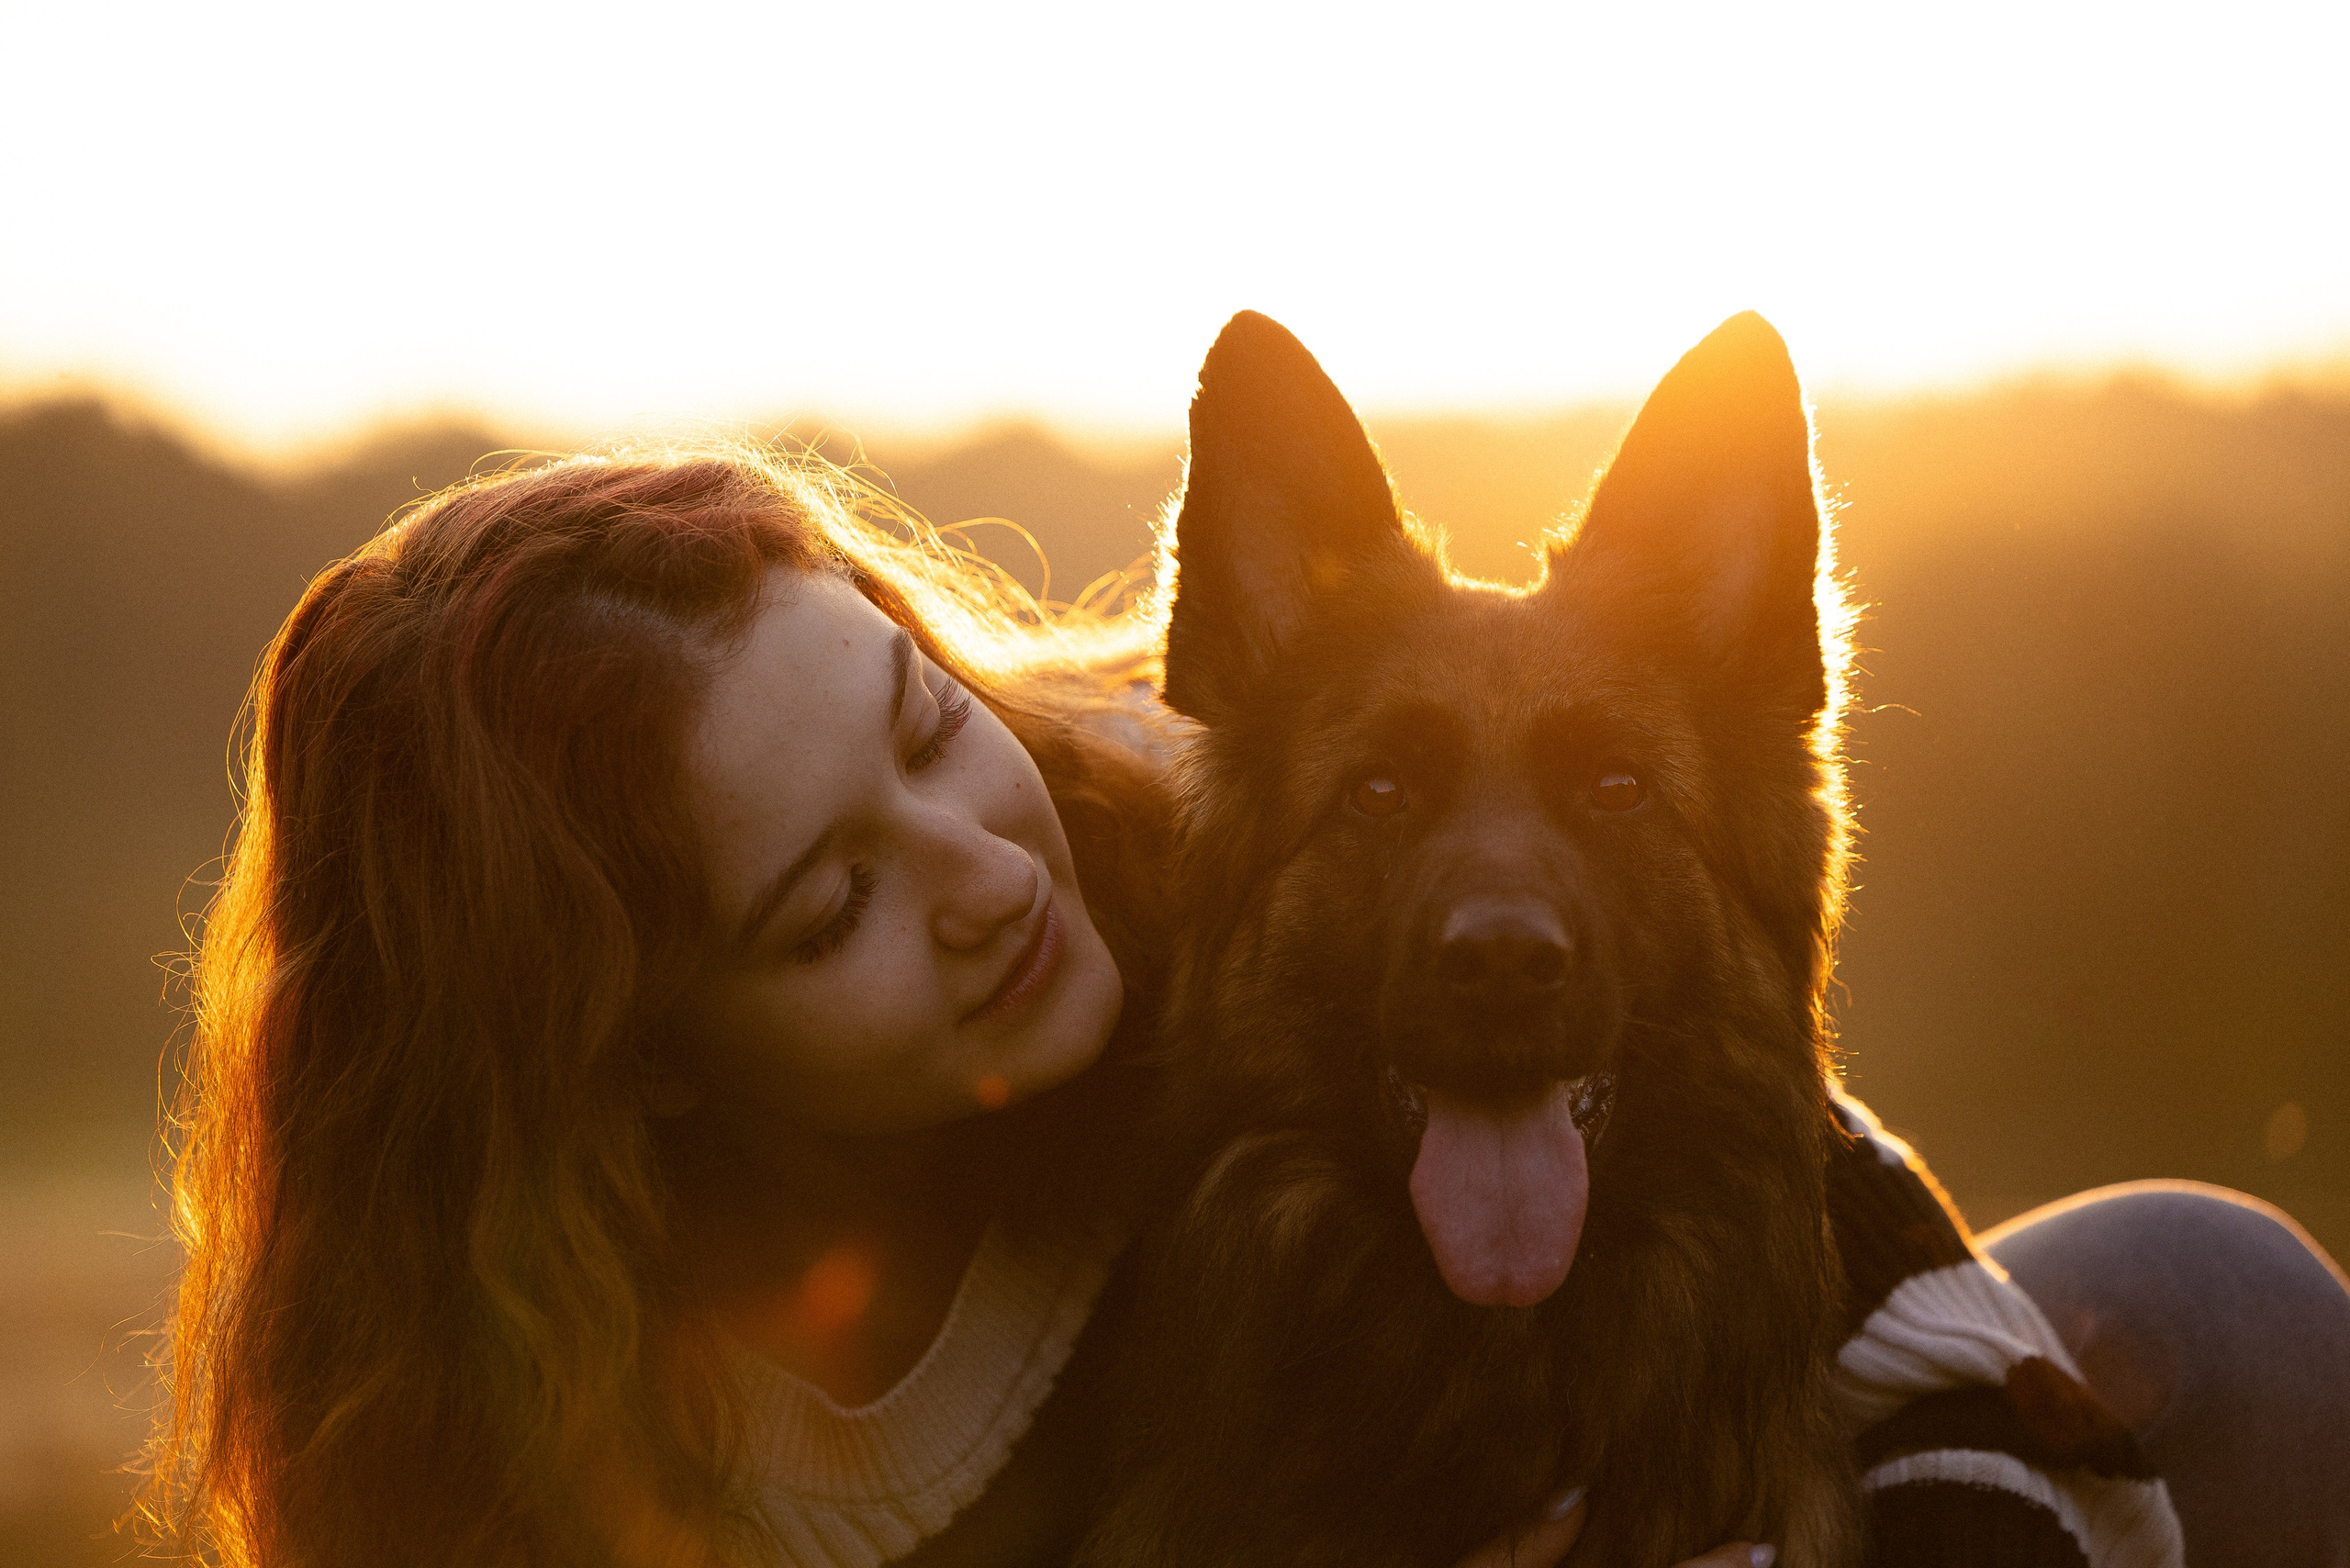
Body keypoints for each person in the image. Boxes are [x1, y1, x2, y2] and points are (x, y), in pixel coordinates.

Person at [139, 447, 2346, 1568]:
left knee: (2199, 1294)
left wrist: (1950, 1510)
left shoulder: (1184, 831)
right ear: (625, 1059)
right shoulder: (548, 1457)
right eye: (833, 903)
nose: (987, 874)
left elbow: (1782, 1142)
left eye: (925, 724)